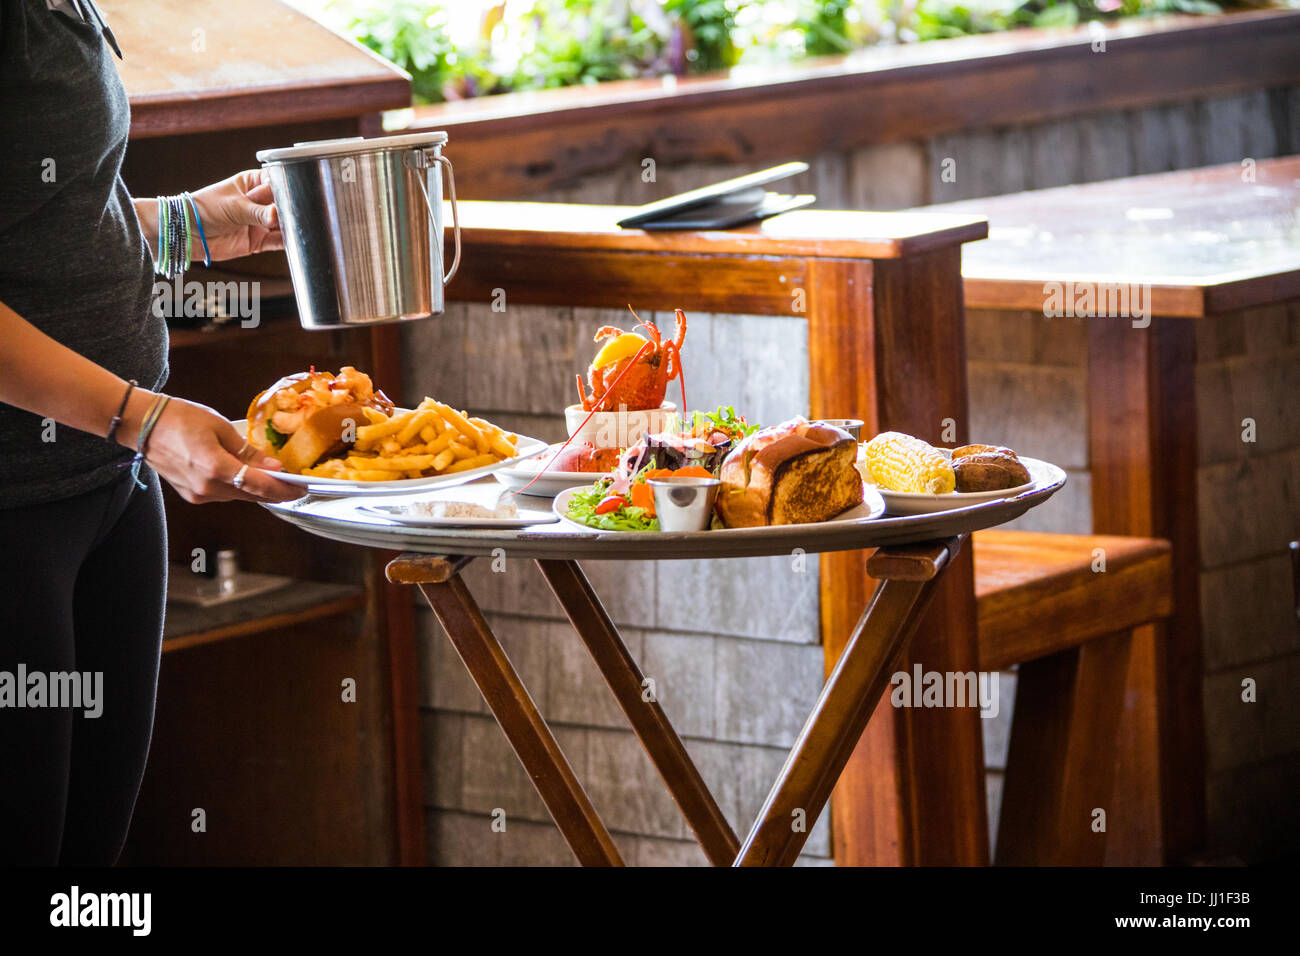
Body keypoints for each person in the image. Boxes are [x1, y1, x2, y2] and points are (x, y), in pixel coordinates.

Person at [0, 0, 301, 865]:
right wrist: (143, 418)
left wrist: (182, 226)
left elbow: (44, 217)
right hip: (16, 505)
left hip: (109, 486)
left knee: (90, 867)